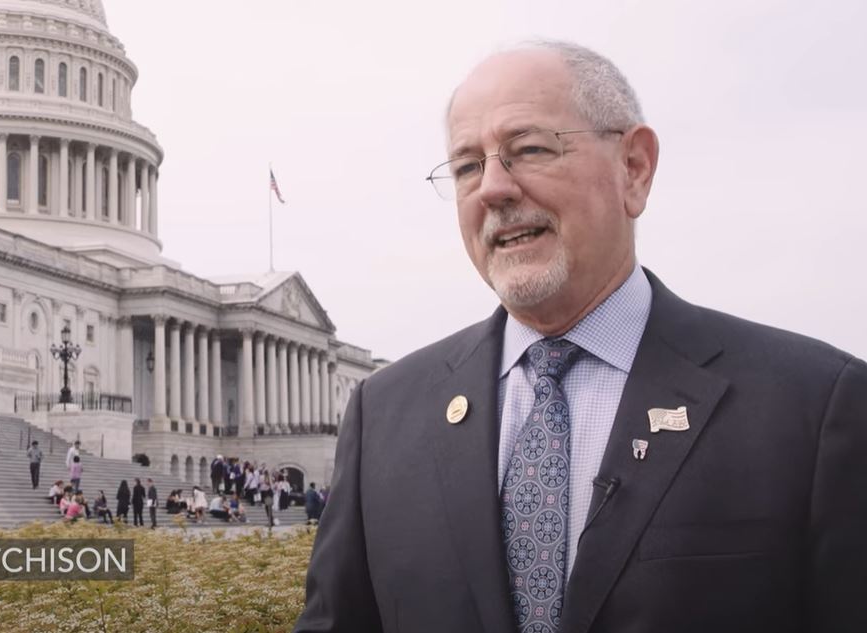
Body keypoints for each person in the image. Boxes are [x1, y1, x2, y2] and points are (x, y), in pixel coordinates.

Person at [295, 41, 867, 633]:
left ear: (634, 168)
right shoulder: (385, 413)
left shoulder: (815, 406)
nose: (493, 188)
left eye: (530, 149)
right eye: (468, 166)